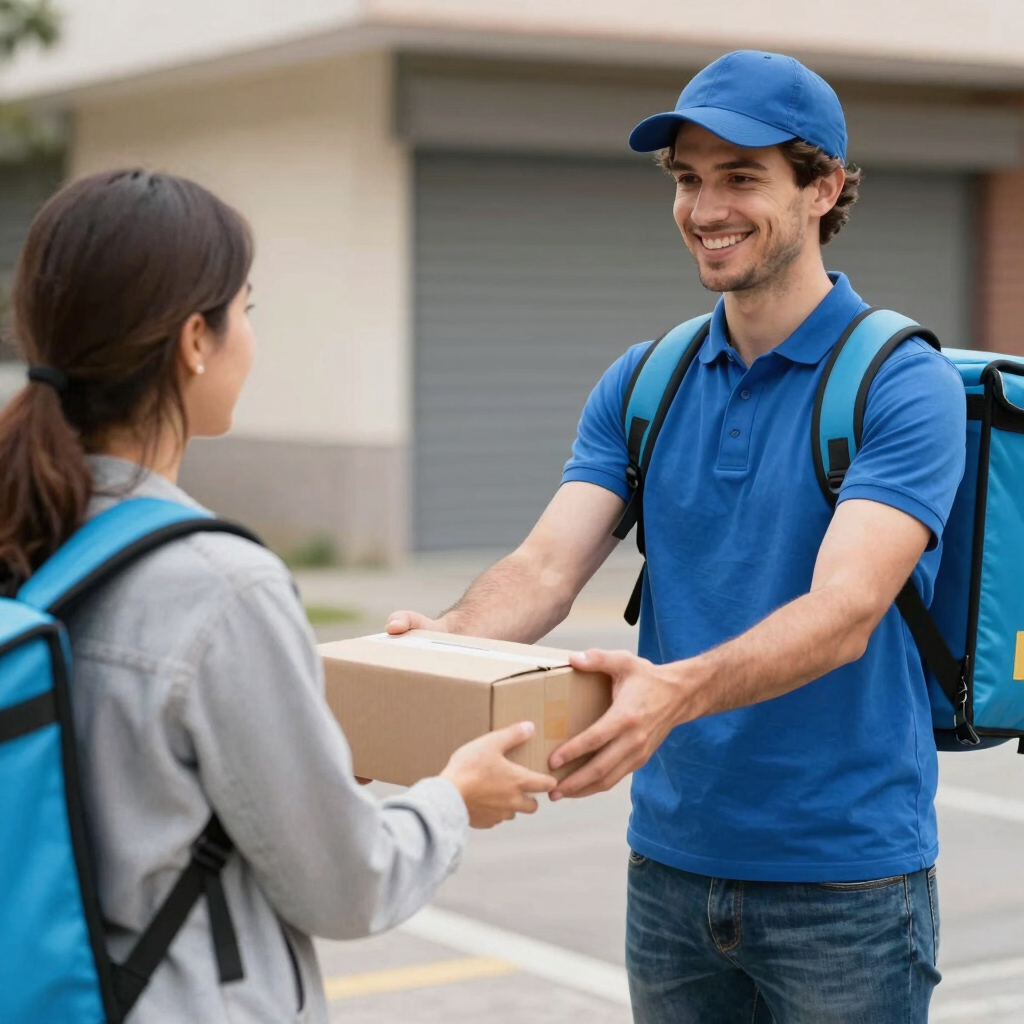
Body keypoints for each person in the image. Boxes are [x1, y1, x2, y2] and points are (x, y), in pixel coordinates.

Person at [387, 50, 966, 1023]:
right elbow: (542, 567)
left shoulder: (902, 384)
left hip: (845, 883)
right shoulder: (643, 380)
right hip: (669, 867)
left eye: (741, 177)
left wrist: (671, 695)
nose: (705, 208)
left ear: (823, 187)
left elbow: (845, 612)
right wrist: (435, 652)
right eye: (688, 179)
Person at [0, 169, 556, 1024]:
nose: (248, 337)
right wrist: (452, 800)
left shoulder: (25, 535)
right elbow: (346, 885)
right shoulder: (220, 587)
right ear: (194, 340)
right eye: (245, 310)